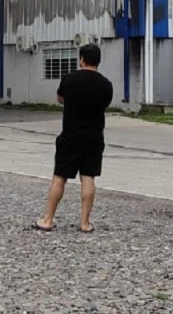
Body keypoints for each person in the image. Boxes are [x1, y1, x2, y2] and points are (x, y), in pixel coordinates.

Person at [33, 43, 114, 234]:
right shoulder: (106, 84)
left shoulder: (69, 79)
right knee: (88, 178)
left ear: (82, 59)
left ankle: (47, 219)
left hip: (70, 135)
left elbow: (60, 99)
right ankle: (85, 223)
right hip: (94, 136)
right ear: (98, 61)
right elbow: (105, 105)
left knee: (59, 177)